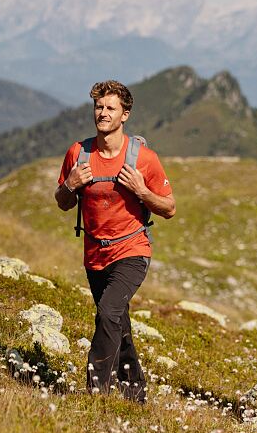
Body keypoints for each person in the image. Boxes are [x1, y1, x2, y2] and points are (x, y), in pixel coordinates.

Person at [55, 80, 174, 402]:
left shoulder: (144, 159)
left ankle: (96, 393)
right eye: (98, 107)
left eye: (110, 108)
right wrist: (69, 184)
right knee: (117, 322)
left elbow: (169, 208)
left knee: (108, 313)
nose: (102, 113)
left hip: (132, 250)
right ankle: (135, 394)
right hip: (94, 253)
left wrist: (141, 191)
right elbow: (63, 202)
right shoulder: (78, 154)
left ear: (125, 115)